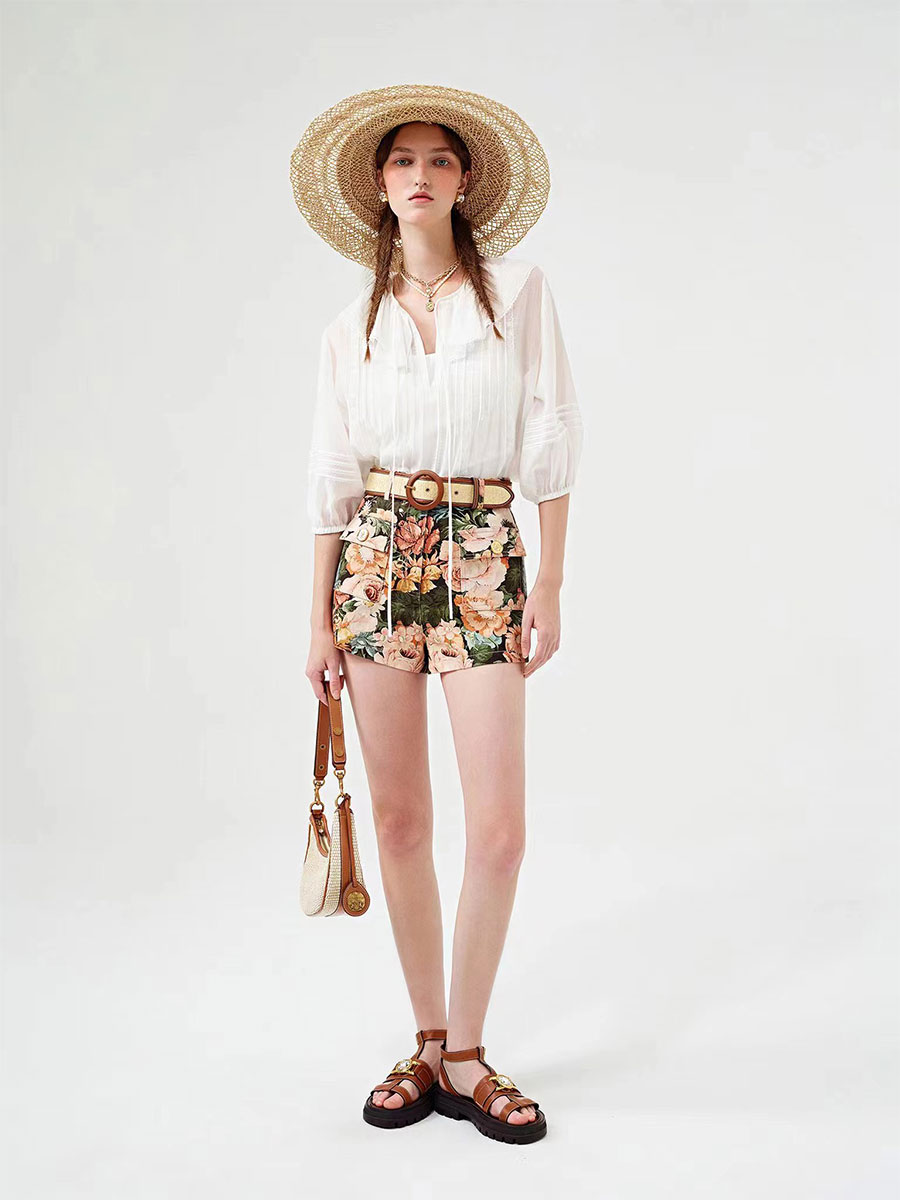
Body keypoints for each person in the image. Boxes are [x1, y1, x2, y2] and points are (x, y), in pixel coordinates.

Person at [290, 84, 583, 1146]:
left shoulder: (517, 299)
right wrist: (316, 621)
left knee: (498, 834)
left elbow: (552, 433)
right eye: (402, 160)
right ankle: (428, 1040)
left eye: (440, 160)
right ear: (380, 186)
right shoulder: (349, 330)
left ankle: (468, 1050)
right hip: (374, 557)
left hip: (485, 554)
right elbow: (330, 477)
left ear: (464, 185)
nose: (420, 174)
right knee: (403, 823)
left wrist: (549, 583)